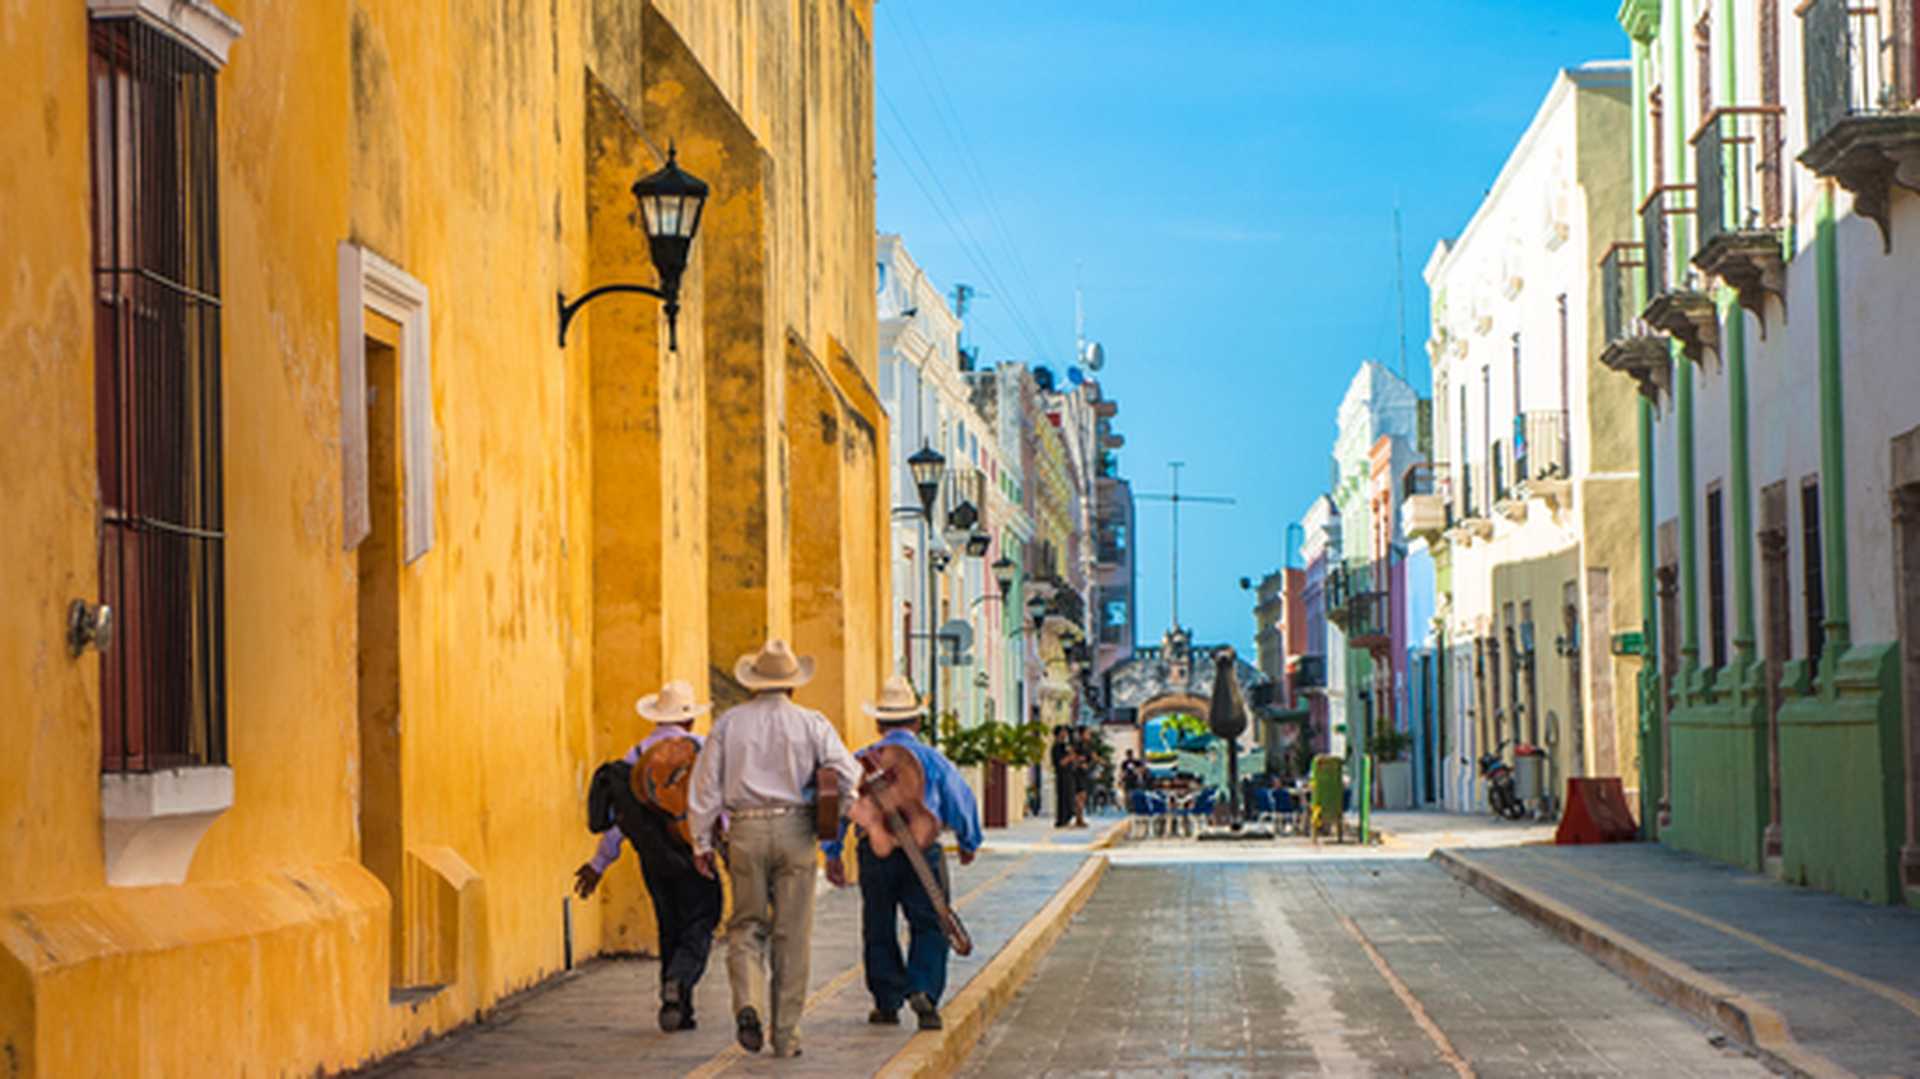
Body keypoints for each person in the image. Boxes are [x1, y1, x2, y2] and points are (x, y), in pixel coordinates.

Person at [687, 640, 862, 1059]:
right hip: (796, 828)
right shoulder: (811, 722)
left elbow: (705, 788)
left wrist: (700, 841)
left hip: (744, 829)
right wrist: (841, 809)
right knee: (792, 934)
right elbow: (847, 772)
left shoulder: (728, 724)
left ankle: (749, 1003)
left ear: (754, 685)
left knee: (746, 925)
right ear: (792, 686)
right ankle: (785, 1036)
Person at [826, 675, 982, 1032]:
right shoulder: (932, 760)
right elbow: (960, 801)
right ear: (917, 721)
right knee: (929, 922)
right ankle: (924, 989)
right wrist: (968, 842)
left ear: (879, 723)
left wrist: (833, 851)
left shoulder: (860, 760)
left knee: (878, 924)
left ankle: (886, 1001)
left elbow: (839, 805)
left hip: (874, 850)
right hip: (922, 850)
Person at [575, 679, 723, 1033]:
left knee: (669, 925)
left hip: (654, 858)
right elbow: (721, 807)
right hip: (694, 850)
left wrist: (598, 864)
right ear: (689, 720)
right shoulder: (701, 750)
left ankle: (676, 1005)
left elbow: (623, 821)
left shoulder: (635, 758)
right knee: (702, 920)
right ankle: (680, 979)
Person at [1049, 726, 1076, 828]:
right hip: (1062, 775)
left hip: (1069, 774)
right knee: (1063, 797)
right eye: (1063, 732)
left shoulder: (1065, 746)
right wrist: (1069, 757)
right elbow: (1060, 763)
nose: (1065, 734)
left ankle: (1067, 818)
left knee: (1069, 797)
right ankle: (1061, 820)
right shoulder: (1056, 747)